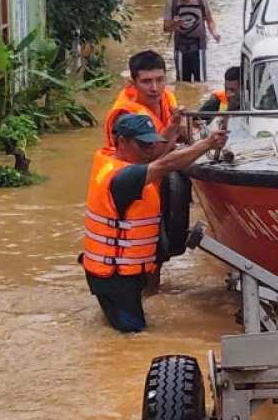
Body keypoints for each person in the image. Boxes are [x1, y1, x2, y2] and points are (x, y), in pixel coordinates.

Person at [81, 115, 226, 332]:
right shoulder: (123, 178)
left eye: (151, 143)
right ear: (122, 141)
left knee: (117, 324)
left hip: (116, 270)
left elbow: (156, 154)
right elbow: (165, 164)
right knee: (133, 334)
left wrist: (172, 127)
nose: (149, 150)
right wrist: (206, 144)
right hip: (115, 277)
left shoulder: (112, 158)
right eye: (143, 144)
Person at [103, 51, 184, 152]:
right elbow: (145, 156)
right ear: (133, 84)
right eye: (146, 82)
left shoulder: (167, 96)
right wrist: (174, 127)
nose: (154, 88)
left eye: (160, 80)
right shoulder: (125, 116)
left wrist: (182, 127)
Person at [164, 0, 220, 83]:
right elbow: (166, 28)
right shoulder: (171, 3)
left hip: (199, 46)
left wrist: (214, 34)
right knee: (182, 84)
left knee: (201, 83)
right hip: (180, 48)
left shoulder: (201, 0)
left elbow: (209, 20)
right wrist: (173, 24)